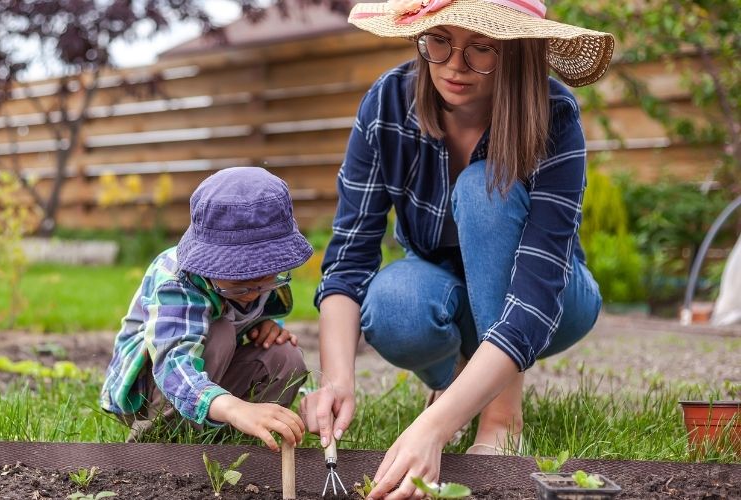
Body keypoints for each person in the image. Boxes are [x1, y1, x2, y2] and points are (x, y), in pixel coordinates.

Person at [299, 0, 614, 497]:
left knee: (484, 188)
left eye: (481, 48)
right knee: (394, 306)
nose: (453, 65)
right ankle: (462, 382)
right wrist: (337, 381)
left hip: (553, 300)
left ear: (517, 48)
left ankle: (501, 418)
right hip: (442, 289)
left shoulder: (554, 116)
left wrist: (435, 428)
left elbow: (534, 298)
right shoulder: (388, 104)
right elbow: (349, 260)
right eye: (439, 41)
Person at [100, 166, 314, 452]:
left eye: (264, 283)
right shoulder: (176, 282)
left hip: (213, 380)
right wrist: (234, 407)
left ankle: (232, 444)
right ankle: (159, 441)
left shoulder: (258, 285)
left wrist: (263, 327)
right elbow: (174, 365)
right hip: (156, 387)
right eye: (239, 286)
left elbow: (251, 312)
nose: (252, 294)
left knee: (287, 358)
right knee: (221, 332)